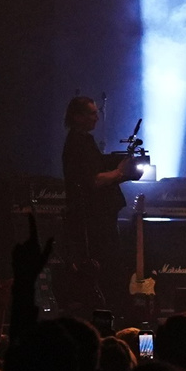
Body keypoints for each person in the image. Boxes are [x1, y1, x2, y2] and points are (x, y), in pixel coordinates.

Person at [59, 96, 133, 315]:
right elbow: (94, 179)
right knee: (102, 266)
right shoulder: (77, 143)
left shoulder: (85, 141)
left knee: (108, 265)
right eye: (91, 113)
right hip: (90, 220)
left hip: (98, 217)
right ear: (77, 116)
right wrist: (120, 172)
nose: (96, 117)